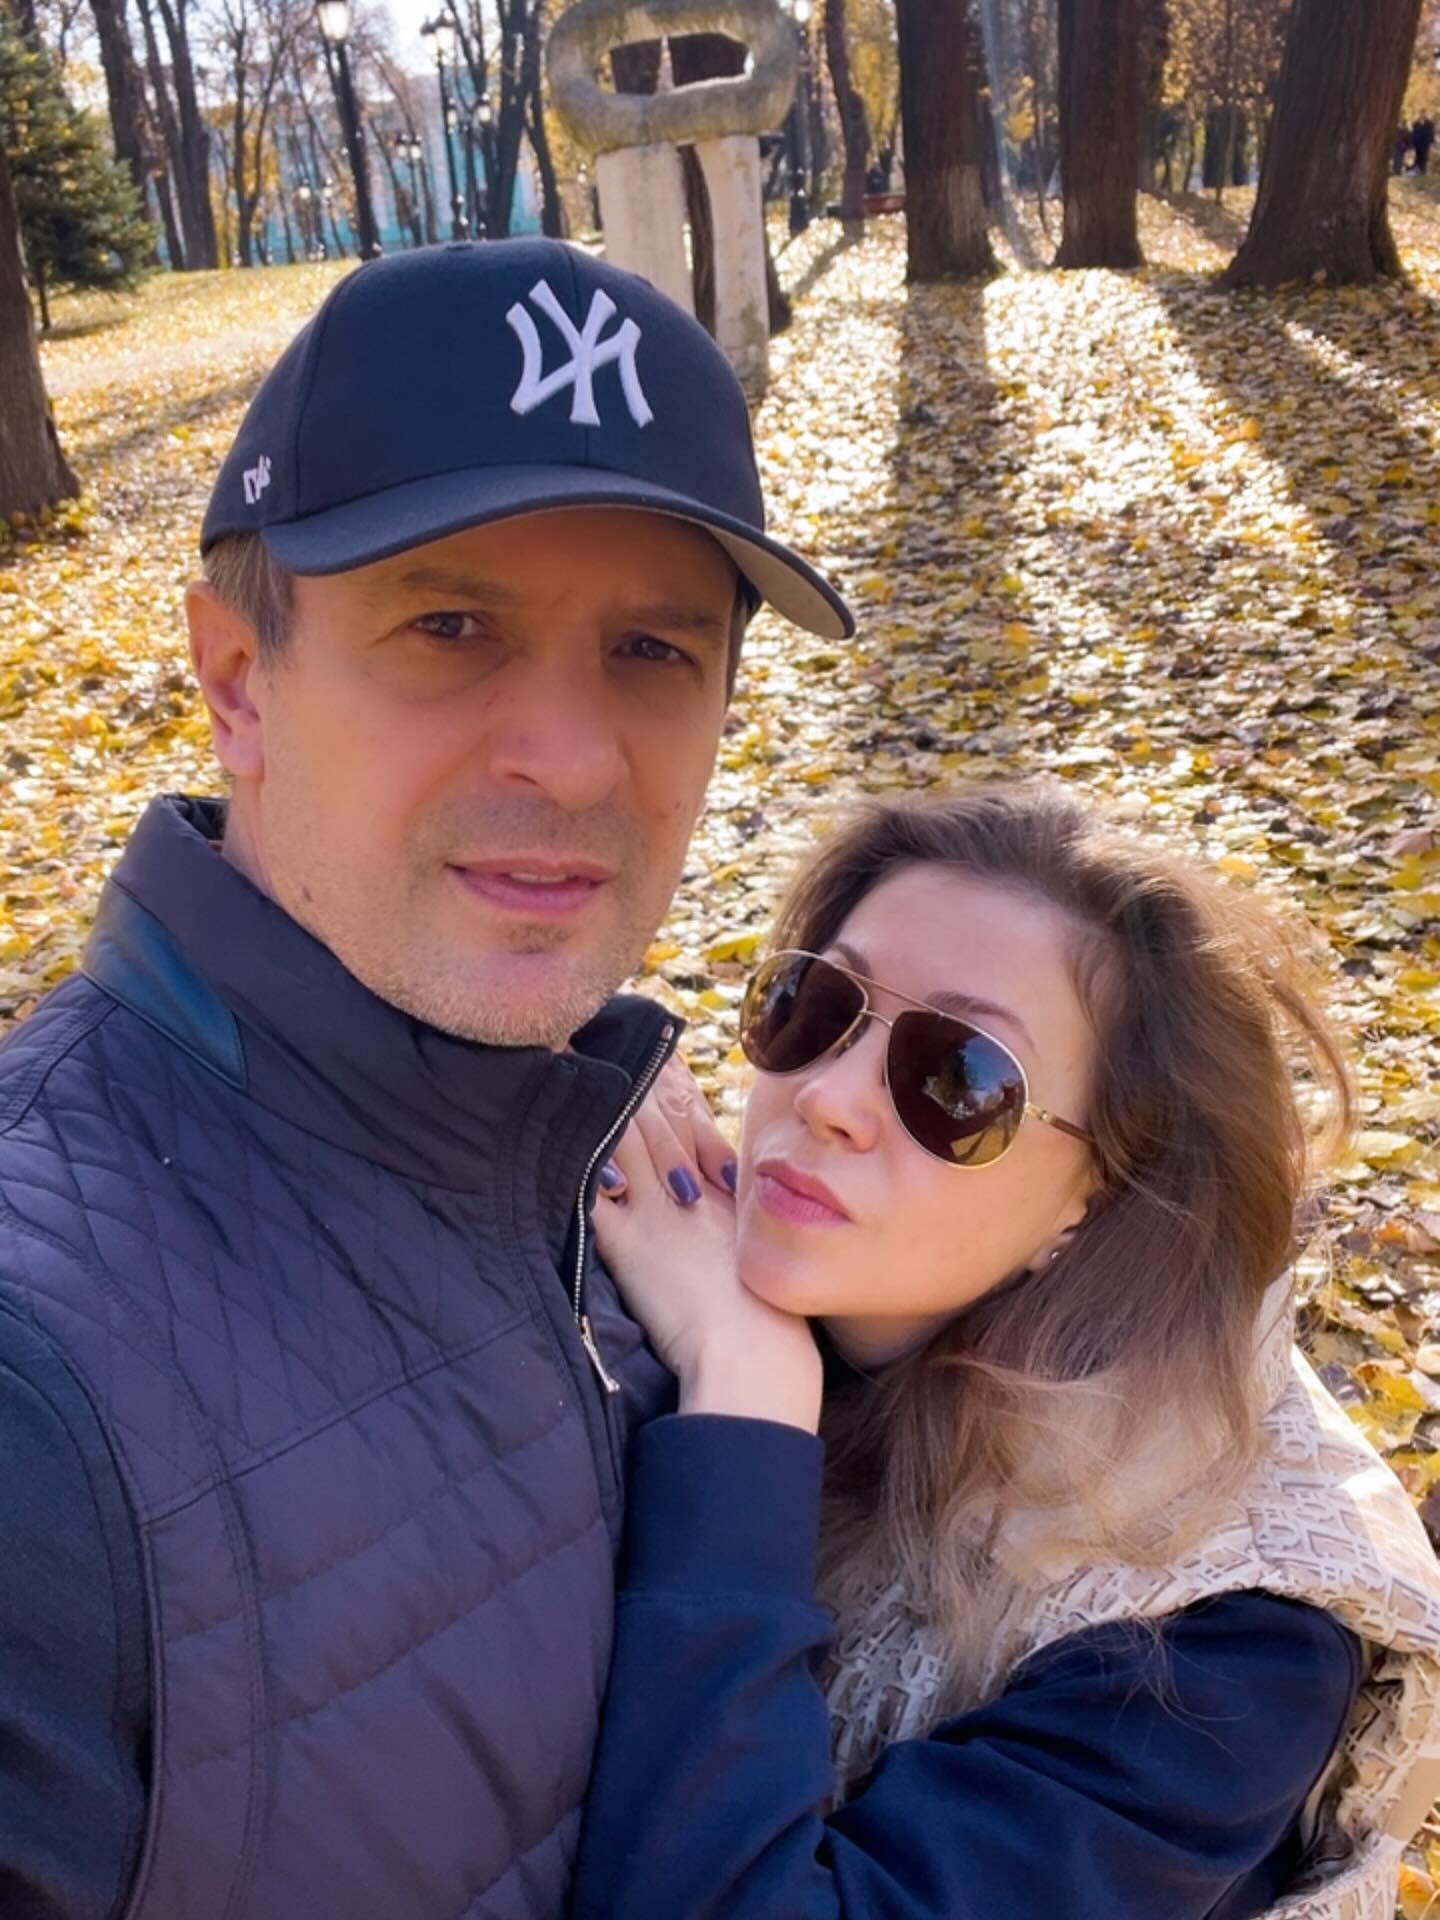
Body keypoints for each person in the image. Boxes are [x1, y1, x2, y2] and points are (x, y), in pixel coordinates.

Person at [0, 238, 851, 1920]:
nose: (574, 758)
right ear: (238, 680)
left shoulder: (650, 1172)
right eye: (449, 626)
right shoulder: (38, 1395)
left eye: (654, 651)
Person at [577, 782, 1440, 1920]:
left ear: (1102, 1194)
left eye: (960, 1081)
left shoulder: (1226, 1650)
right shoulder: (635, 1259)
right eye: (815, 1005)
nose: (825, 1096)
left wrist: (743, 1403)